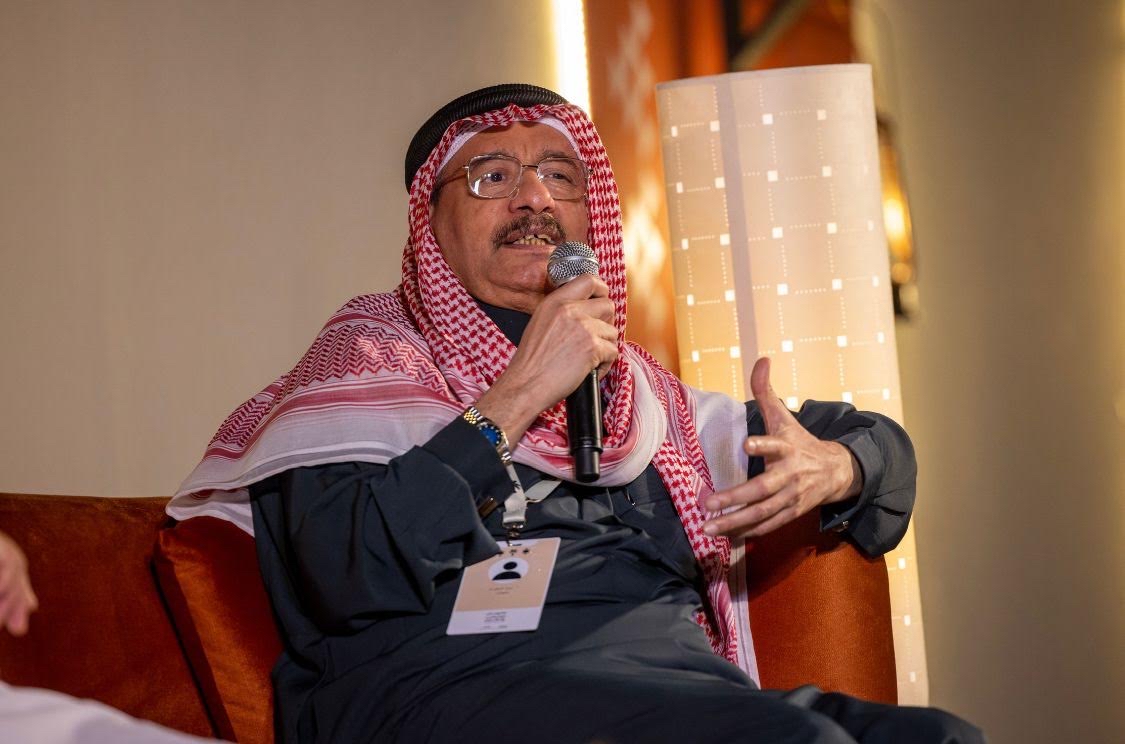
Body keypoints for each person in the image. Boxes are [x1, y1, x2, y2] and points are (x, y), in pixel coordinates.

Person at [171, 83, 983, 744]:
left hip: (669, 688)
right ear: (428, 224)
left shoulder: (639, 398)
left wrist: (837, 466)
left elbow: (872, 445)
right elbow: (342, 575)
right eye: (492, 177)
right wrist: (517, 395)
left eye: (560, 176)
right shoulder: (366, 365)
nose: (534, 198)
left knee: (937, 737)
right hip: (455, 691)